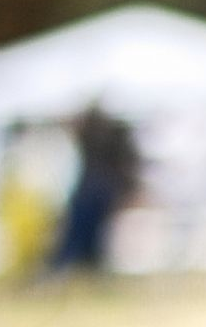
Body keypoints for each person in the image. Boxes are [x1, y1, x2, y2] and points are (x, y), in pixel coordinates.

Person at [45, 104, 139, 276]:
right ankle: (72, 271)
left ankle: (69, 271)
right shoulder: (106, 141)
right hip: (93, 193)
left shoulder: (96, 143)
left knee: (80, 242)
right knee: (82, 242)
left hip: (91, 194)